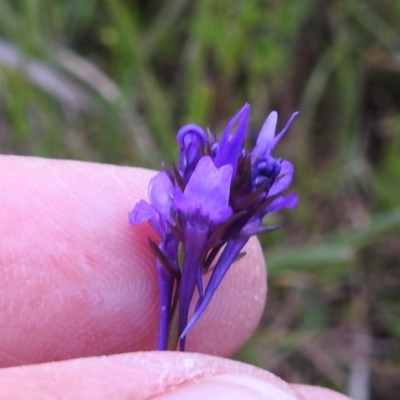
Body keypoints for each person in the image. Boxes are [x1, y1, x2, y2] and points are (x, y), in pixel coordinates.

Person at [0, 156, 351, 399]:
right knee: (171, 332)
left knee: (180, 329)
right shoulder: (181, 216)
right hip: (182, 236)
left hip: (201, 232)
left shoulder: (219, 217)